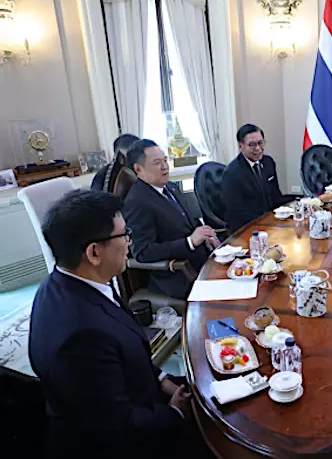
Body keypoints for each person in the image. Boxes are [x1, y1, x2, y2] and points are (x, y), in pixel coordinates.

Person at [28, 189, 207, 459]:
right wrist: (176, 412)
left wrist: (162, 380)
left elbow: (125, 359)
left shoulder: (69, 282)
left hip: (137, 393)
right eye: (124, 235)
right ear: (94, 252)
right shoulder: (80, 337)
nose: (129, 243)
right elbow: (119, 428)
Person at [123, 139, 219, 300]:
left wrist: (206, 236)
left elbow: (190, 223)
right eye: (157, 163)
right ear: (138, 169)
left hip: (202, 260)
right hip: (180, 273)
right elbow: (143, 252)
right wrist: (189, 242)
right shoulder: (137, 202)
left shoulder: (170, 187)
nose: (165, 167)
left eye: (165, 160)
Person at [221, 124, 289, 232]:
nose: (258, 148)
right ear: (240, 146)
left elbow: (276, 196)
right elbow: (237, 212)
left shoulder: (268, 162)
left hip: (270, 223)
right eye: (252, 145)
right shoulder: (232, 173)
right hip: (246, 228)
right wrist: (267, 222)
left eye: (260, 143)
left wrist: (297, 203)